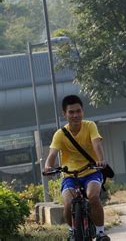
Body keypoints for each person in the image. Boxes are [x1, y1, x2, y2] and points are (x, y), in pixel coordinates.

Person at [44, 95, 110, 241]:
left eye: (78, 111)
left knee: (93, 196)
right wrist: (48, 166)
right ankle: (72, 230)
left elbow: (96, 144)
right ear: (65, 114)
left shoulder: (90, 126)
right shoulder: (60, 134)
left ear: (83, 111)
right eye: (71, 112)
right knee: (67, 203)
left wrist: (100, 160)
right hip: (69, 175)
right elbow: (52, 154)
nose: (75, 115)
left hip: (91, 171)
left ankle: (100, 232)